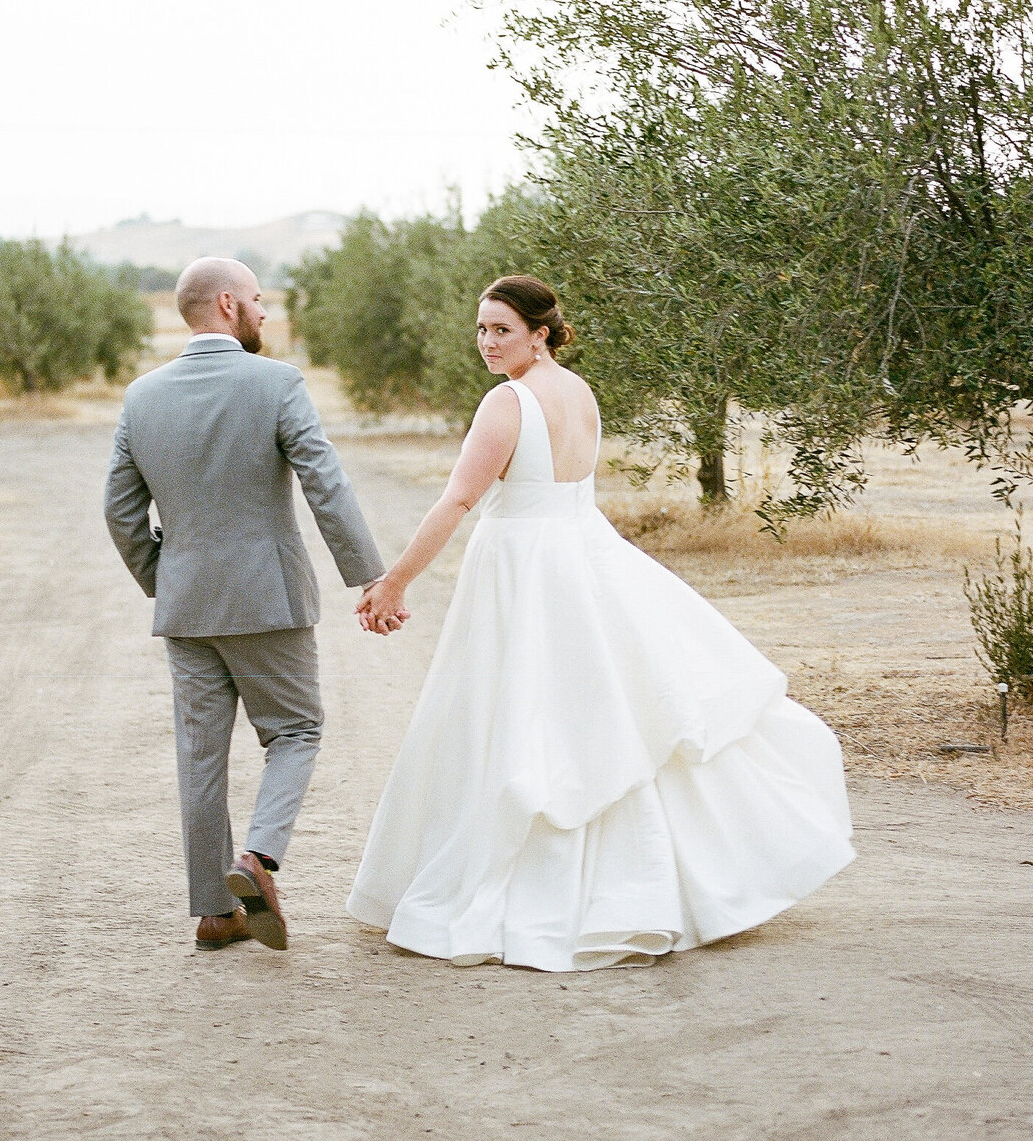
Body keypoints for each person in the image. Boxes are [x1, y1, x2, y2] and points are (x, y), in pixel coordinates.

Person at [349, 274, 854, 971]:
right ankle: (657, 886)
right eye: (481, 329)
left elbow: (458, 501)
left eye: (502, 329)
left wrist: (395, 580)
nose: (487, 343)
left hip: (527, 564)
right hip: (582, 553)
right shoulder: (579, 391)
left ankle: (558, 891)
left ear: (541, 333)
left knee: (526, 714)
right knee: (601, 711)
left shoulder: (508, 403)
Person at [104, 258, 395, 952]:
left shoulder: (141, 398)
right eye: (260, 300)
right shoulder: (276, 384)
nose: (266, 313)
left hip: (188, 609)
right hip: (268, 600)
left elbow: (120, 512)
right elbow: (326, 483)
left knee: (199, 756)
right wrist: (369, 576)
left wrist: (166, 577)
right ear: (229, 304)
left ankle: (213, 912)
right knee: (295, 730)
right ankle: (256, 862)